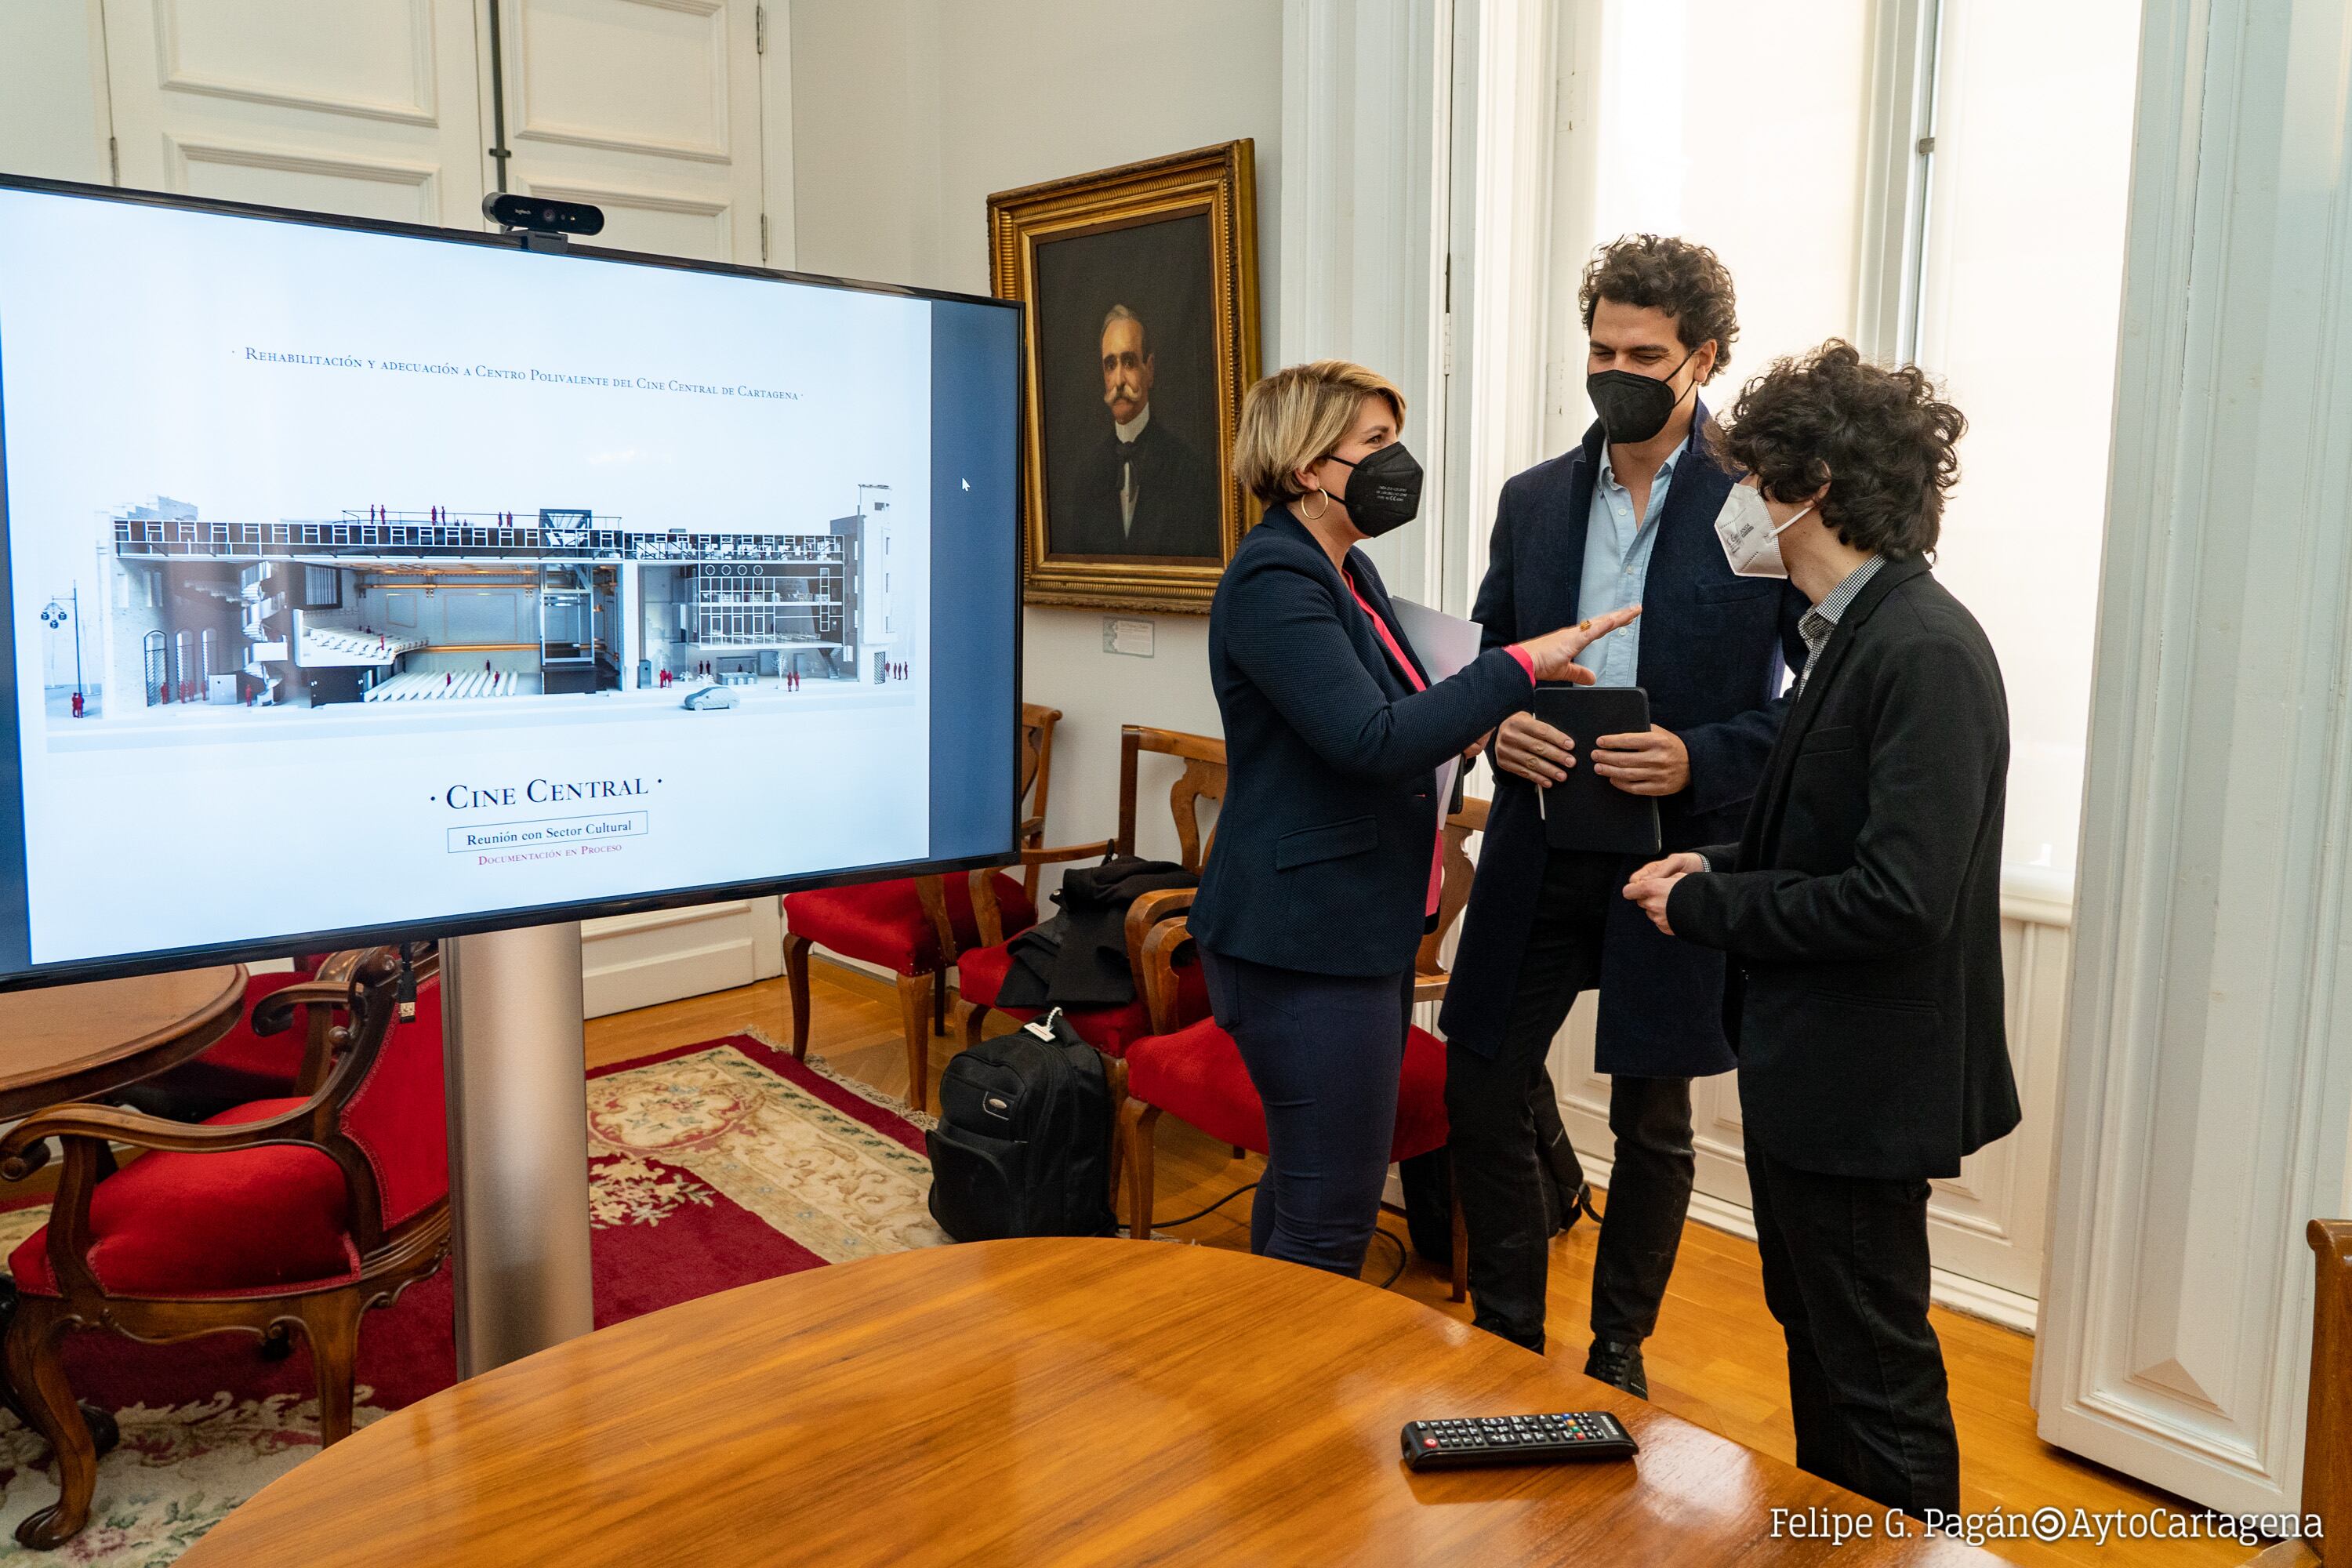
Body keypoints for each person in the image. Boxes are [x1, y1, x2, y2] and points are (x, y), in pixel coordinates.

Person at [1623, 341, 2020, 1521]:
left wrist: (1704, 904)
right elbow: (1834, 844)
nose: (1738, 502)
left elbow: (1898, 897)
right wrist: (1721, 859)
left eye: (1753, 478)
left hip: (1865, 1083)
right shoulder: (1847, 635)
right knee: (1824, 1349)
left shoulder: (1924, 650)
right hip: (1818, 1074)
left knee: (1877, 1380)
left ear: (1814, 489)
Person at [1439, 235, 1808, 1386]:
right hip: (1541, 835)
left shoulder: (1764, 502)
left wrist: (1698, 759)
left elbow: (1815, 702)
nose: (1615, 369)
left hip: (1679, 858)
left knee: (1655, 1121)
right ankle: (1506, 1333)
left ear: (1704, 357)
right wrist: (1503, 723)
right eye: (1599, 347)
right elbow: (1490, 651)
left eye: (1643, 353)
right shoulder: (1534, 499)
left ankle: (1617, 1355)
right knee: (1481, 1082)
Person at [1189, 360, 1637, 1278]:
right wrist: (1517, 666)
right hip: (1301, 941)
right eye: (1375, 445)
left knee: (1308, 1185)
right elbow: (1368, 738)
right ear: (1310, 465)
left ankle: (1259, 1384)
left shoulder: (1342, 568)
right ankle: (1287, 1412)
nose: (1400, 464)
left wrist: (1473, 724)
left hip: (1355, 927)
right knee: (1329, 1216)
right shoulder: (1277, 577)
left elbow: (1393, 723)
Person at [1055, 304, 1221, 558]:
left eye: (1129, 362)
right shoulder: (1088, 476)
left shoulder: (1188, 470)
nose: (1119, 381)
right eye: (1110, 365)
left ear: (1150, 369)